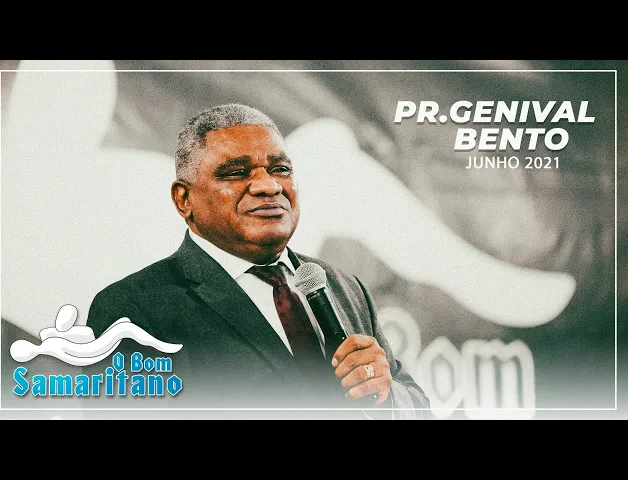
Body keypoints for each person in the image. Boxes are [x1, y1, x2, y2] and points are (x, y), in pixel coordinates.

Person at [84, 103, 430, 419]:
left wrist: (388, 397)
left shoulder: (344, 287)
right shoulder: (133, 309)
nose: (269, 186)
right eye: (236, 172)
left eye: (280, 169)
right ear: (184, 199)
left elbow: (417, 405)